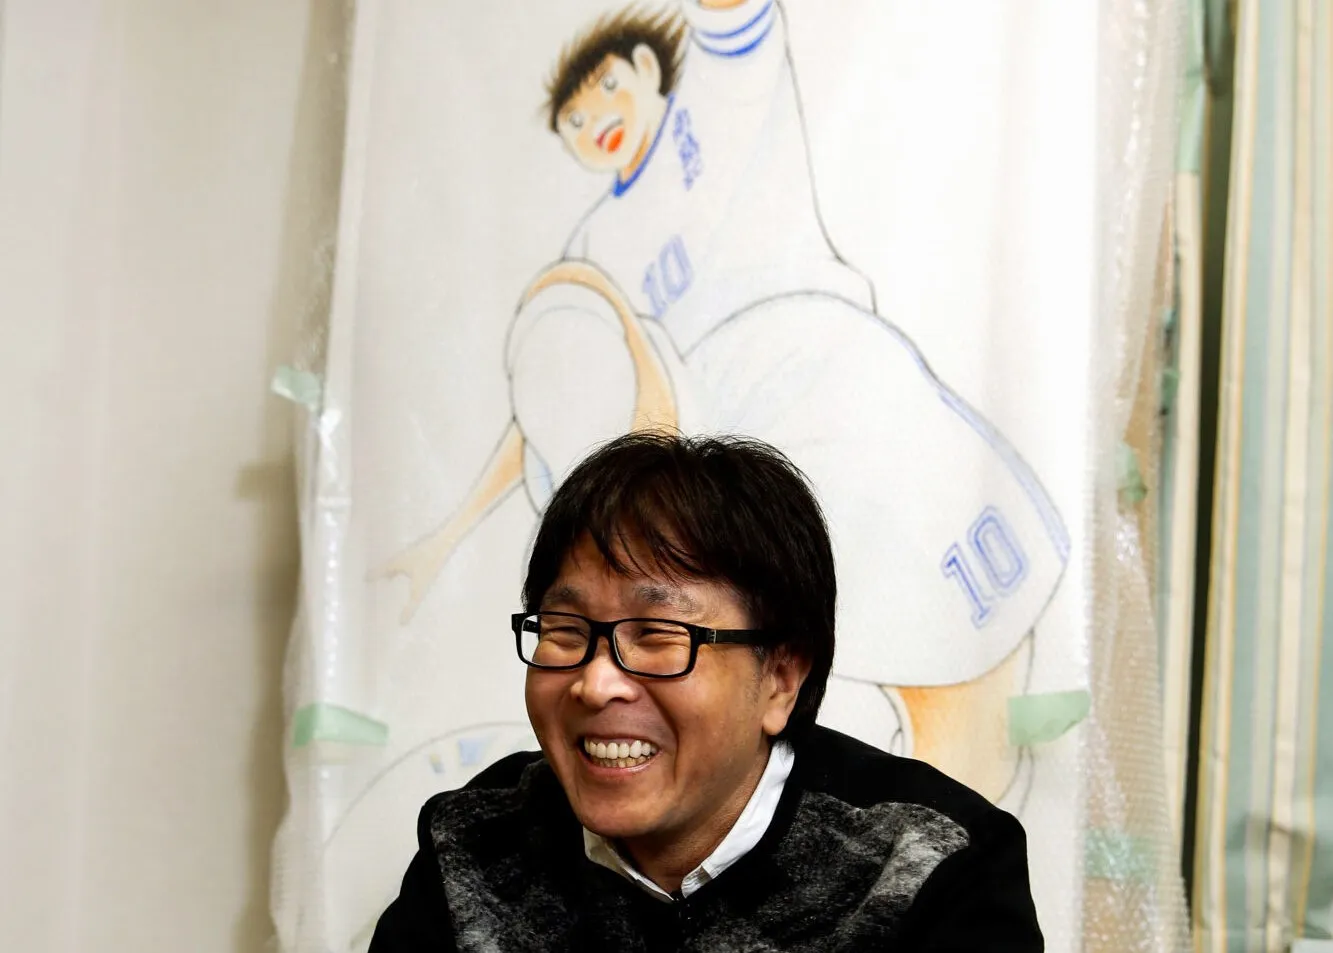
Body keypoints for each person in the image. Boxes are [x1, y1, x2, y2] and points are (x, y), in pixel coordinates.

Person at [379, 0, 1069, 806]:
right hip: (714, 452)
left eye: (606, 90)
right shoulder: (595, 249)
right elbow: (538, 413)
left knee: (950, 658)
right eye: (575, 122)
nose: (595, 122)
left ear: (646, 69)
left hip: (825, 384)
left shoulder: (711, 117)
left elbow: (735, 29)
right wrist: (444, 535)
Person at [369, 432, 1043, 951]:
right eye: (566, 630)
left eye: (656, 635)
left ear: (780, 678)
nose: (595, 683)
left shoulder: (930, 866)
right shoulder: (475, 844)